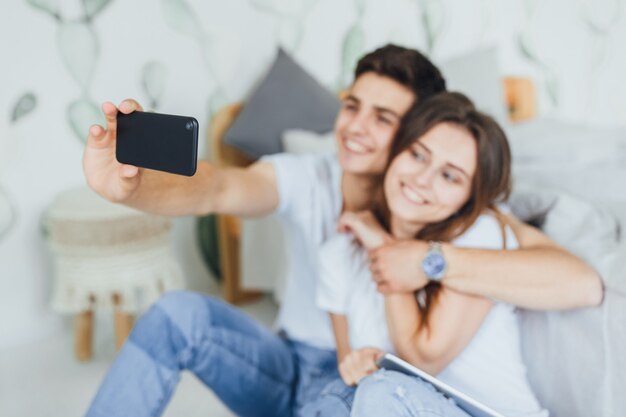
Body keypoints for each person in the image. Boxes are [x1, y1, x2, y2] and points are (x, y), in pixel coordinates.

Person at [82, 45, 601, 417]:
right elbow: (221, 189)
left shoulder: (453, 207)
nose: (355, 127)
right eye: (351, 106)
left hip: (368, 383)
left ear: (418, 128)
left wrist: (424, 258)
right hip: (293, 364)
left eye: (382, 117)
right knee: (179, 312)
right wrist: (133, 189)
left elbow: (570, 278)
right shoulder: (312, 178)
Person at [302, 92, 547, 417]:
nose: (422, 179)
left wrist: (381, 246)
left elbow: (424, 356)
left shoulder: (479, 234)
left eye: (449, 176)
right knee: (334, 402)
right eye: (417, 155)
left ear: (468, 199)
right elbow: (350, 372)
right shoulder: (341, 254)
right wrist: (359, 363)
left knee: (379, 393)